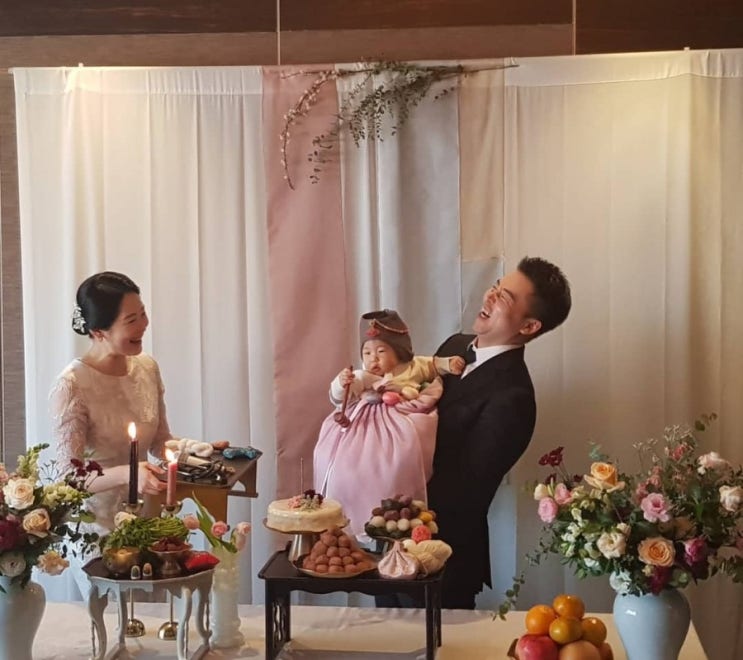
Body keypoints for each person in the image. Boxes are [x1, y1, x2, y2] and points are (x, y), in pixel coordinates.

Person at [428, 256, 572, 609]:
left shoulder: (514, 398)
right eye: (495, 287)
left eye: (504, 298)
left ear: (529, 326)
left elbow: (465, 493)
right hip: (391, 537)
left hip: (443, 558)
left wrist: (402, 522)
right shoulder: (453, 346)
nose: (489, 296)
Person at [313, 309, 464, 537]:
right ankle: (346, 519)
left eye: (381, 351)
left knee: (396, 460)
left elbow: (432, 365)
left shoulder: (412, 368)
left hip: (400, 419)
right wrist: (342, 384)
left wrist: (448, 363)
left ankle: (396, 515)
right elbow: (339, 396)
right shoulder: (362, 377)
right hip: (363, 423)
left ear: (399, 350)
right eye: (367, 352)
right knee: (344, 461)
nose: (373, 359)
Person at [49, 271, 169, 540]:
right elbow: (69, 478)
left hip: (146, 520)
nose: (143, 325)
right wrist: (128, 474)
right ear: (98, 331)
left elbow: (160, 442)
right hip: (96, 530)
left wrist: (197, 454)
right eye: (131, 320)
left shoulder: (147, 367)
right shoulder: (72, 384)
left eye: (143, 313)